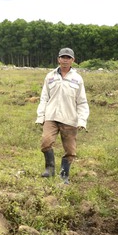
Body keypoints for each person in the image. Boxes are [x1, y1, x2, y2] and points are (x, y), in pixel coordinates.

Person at [35, 47, 89, 184]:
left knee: (70, 150)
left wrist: (82, 120)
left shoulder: (77, 79)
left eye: (68, 58)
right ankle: (50, 168)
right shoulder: (50, 76)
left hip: (70, 119)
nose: (65, 60)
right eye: (63, 57)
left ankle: (64, 175)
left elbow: (82, 102)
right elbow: (44, 98)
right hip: (51, 116)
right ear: (58, 59)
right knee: (46, 142)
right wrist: (40, 116)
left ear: (73, 60)